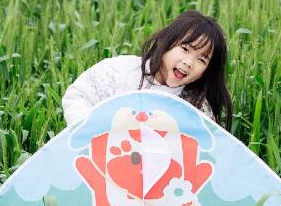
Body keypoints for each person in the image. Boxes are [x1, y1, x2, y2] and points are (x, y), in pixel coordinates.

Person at [62, 10, 233, 130]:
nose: (189, 62)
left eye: (201, 60)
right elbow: (79, 95)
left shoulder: (196, 107)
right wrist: (90, 132)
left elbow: (208, 147)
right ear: (166, 41)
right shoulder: (122, 71)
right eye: (185, 49)